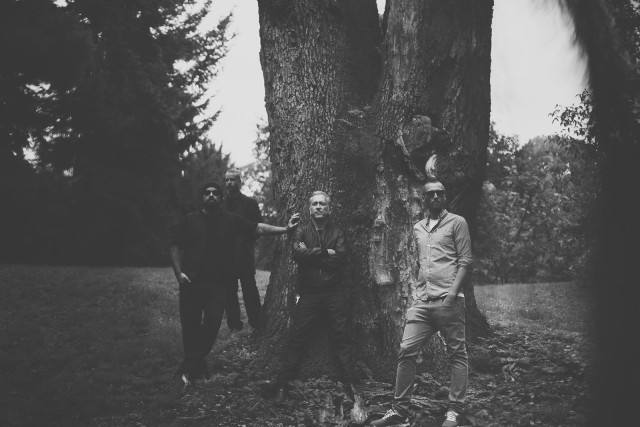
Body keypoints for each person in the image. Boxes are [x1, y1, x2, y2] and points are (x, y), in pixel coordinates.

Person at [170, 181, 300, 389]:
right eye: (207, 193)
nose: (211, 195)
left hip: (218, 284)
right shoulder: (190, 220)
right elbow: (176, 247)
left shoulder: (231, 220)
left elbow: (258, 227)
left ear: (221, 198)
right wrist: (179, 273)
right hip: (190, 282)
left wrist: (285, 229)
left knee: (212, 323)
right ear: (202, 198)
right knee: (190, 327)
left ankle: (189, 366)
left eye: (215, 193)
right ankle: (196, 369)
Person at [372, 180, 472, 427]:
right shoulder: (418, 228)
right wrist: (417, 295)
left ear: (445, 197)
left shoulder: (457, 223)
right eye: (430, 194)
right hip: (422, 302)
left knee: (457, 354)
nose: (435, 197)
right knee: (406, 350)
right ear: (424, 199)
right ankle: (399, 410)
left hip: (449, 301)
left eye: (440, 193)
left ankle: (454, 410)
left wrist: (451, 296)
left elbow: (465, 261)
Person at [274, 191, 358, 402]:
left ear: (329, 208)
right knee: (297, 337)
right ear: (309, 209)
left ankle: (352, 385)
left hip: (333, 291)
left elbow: (341, 259)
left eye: (322, 204)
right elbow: (297, 254)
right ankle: (282, 385)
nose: (318, 207)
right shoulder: (301, 231)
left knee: (341, 336)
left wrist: (310, 253)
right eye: (315, 204)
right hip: (309, 292)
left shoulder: (337, 232)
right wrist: (326, 251)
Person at [222, 169, 263, 331]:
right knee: (229, 292)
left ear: (240, 182)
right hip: (225, 256)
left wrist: (244, 239)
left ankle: (256, 323)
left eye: (232, 180)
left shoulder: (250, 203)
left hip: (244, 254)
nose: (229, 183)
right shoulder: (221, 204)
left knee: (250, 290)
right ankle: (234, 325)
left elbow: (258, 227)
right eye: (226, 180)